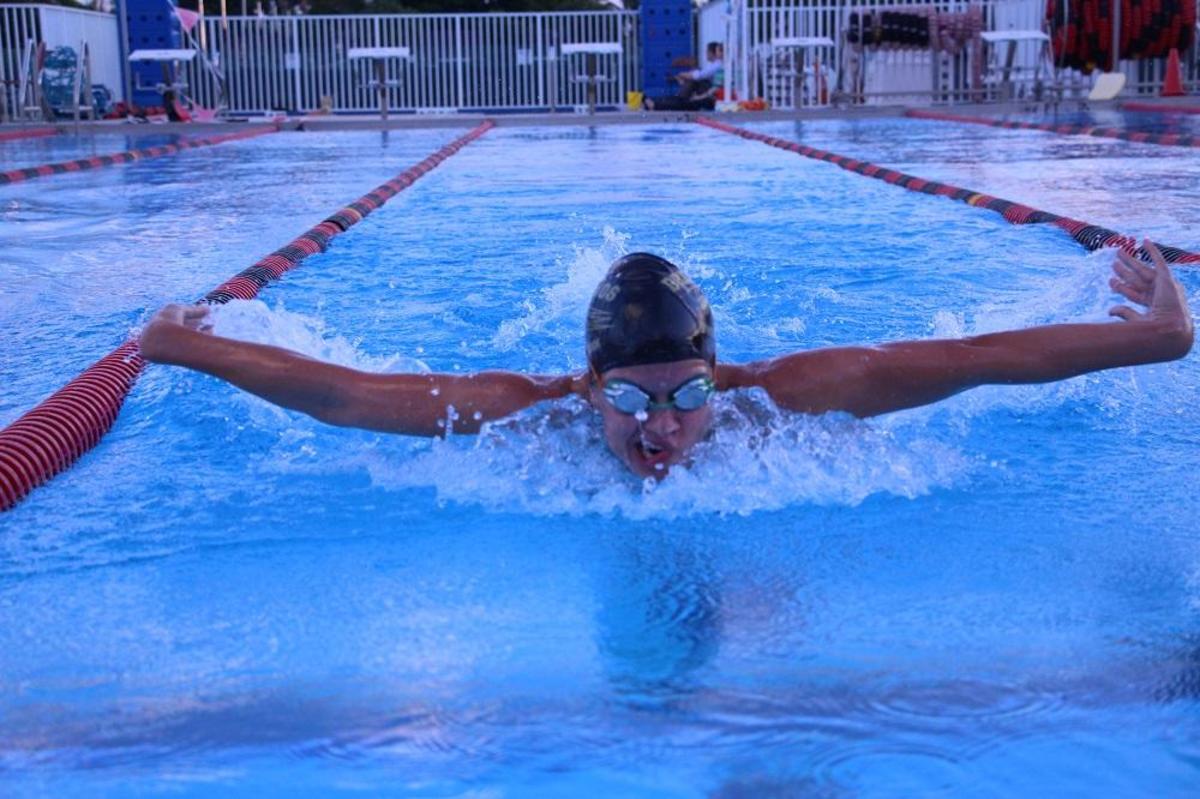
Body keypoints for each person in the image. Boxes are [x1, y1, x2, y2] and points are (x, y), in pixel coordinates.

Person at [140, 242, 1193, 480]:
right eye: (632, 403)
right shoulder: (524, 411)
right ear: (586, 384)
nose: (664, 428)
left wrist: (1158, 335)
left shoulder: (792, 395)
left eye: (690, 395)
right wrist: (176, 341)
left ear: (719, 372)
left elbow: (979, 360)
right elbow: (338, 392)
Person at [643, 42, 725, 112]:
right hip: (707, 95)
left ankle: (655, 104)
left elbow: (713, 88)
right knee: (683, 100)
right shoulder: (717, 65)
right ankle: (654, 102)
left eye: (717, 51)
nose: (716, 53)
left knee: (686, 103)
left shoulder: (719, 66)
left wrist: (699, 97)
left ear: (721, 53)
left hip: (711, 100)